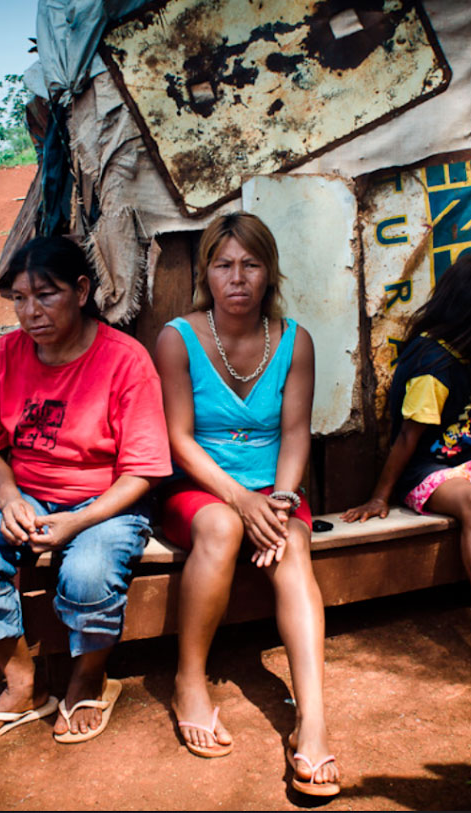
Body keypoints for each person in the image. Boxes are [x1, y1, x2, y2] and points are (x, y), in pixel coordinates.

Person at [0, 236, 172, 746]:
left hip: (108, 498)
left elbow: (145, 471)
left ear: (83, 290)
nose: (30, 312)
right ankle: (22, 683)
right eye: (19, 299)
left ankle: (89, 675)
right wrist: (10, 501)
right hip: (27, 493)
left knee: (88, 573)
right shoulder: (5, 354)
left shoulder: (126, 361)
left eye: (46, 295)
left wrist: (79, 520)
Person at [155, 212, 339, 797]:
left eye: (251, 265)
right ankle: (190, 680)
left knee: (294, 552)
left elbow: (295, 433)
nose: (238, 278)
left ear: (269, 273)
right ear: (206, 273)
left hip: (273, 491)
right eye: (224, 264)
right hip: (201, 487)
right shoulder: (177, 338)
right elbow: (179, 439)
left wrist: (280, 505)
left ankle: (312, 724)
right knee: (219, 529)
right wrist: (238, 501)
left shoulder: (294, 341)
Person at [341, 253, 471, 707]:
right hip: (429, 470)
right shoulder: (432, 364)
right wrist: (380, 495)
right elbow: (406, 439)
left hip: (470, 456)